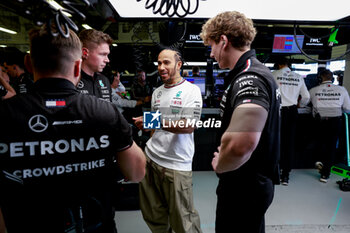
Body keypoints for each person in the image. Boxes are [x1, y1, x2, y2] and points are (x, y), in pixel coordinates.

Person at [0, 24, 146, 233]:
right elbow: (137, 171)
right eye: (103, 54)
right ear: (78, 65)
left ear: (28, 64)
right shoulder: (105, 112)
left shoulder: (5, 114)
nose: (107, 60)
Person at [200, 11, 280, 233]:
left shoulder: (249, 78)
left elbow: (240, 145)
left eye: (212, 46)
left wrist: (221, 165)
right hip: (252, 184)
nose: (212, 54)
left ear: (223, 41)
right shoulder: (254, 72)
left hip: (244, 187)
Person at [133, 48, 203, 233]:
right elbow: (154, 130)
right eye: (159, 63)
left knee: (184, 221)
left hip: (176, 165)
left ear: (178, 65)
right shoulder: (157, 92)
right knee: (154, 215)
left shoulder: (191, 91)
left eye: (166, 62)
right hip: (151, 159)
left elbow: (190, 124)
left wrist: (151, 121)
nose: (161, 67)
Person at [272, 57, 310, 185]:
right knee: (289, 143)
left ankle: (273, 172)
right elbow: (306, 97)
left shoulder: (273, 75)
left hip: (278, 111)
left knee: (275, 141)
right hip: (292, 111)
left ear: (278, 65)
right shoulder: (298, 77)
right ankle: (285, 176)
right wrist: (300, 105)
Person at [309, 69, 350, 183]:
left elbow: (307, 103)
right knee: (331, 147)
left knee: (318, 143)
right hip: (335, 121)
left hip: (319, 121)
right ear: (331, 78)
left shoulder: (313, 90)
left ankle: (318, 163)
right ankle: (325, 175)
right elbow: (347, 108)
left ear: (320, 78)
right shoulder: (342, 90)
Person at [77, 29, 113, 102]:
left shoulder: (104, 81)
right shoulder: (71, 81)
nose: (107, 60)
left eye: (107, 55)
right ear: (84, 53)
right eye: (103, 54)